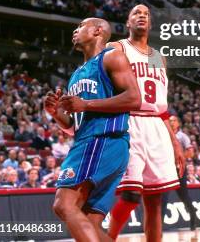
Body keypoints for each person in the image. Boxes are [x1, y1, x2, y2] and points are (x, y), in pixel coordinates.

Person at [45, 17, 141, 242]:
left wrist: (86, 104)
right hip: (94, 143)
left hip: (101, 141)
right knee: (89, 223)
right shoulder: (76, 74)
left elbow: (135, 98)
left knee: (63, 204)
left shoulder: (111, 57)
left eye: (80, 26)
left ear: (98, 31)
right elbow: (74, 126)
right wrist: (56, 115)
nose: (75, 30)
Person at [108, 4, 184, 242]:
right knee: (131, 193)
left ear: (150, 24)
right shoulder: (117, 48)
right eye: (135, 13)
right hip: (129, 121)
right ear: (128, 22)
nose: (141, 16)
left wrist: (176, 144)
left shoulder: (158, 57)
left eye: (146, 14)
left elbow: (162, 108)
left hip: (157, 126)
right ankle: (107, 237)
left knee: (155, 200)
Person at [162, 115, 197, 231]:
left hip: (179, 169)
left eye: (174, 121)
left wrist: (179, 158)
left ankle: (193, 221)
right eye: (170, 121)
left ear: (178, 123)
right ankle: (159, 226)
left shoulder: (183, 137)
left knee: (184, 196)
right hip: (166, 169)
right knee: (163, 197)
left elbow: (191, 153)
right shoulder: (163, 134)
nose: (171, 123)